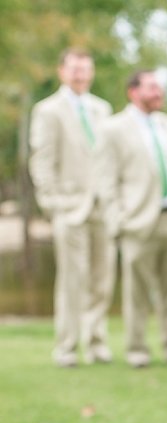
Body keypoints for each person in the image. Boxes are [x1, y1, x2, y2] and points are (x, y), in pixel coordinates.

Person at [95, 70, 167, 368]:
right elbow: (106, 181)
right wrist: (118, 222)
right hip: (138, 223)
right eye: (151, 87)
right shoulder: (113, 129)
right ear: (133, 92)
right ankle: (137, 350)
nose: (158, 92)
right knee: (137, 294)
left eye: (160, 87)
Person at [29, 47, 114, 367]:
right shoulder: (48, 111)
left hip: (102, 208)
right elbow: (42, 161)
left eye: (85, 69)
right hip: (70, 207)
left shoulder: (102, 109)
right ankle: (66, 347)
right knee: (72, 281)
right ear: (62, 71)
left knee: (101, 280)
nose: (81, 74)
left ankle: (96, 343)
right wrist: (53, 203)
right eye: (75, 69)